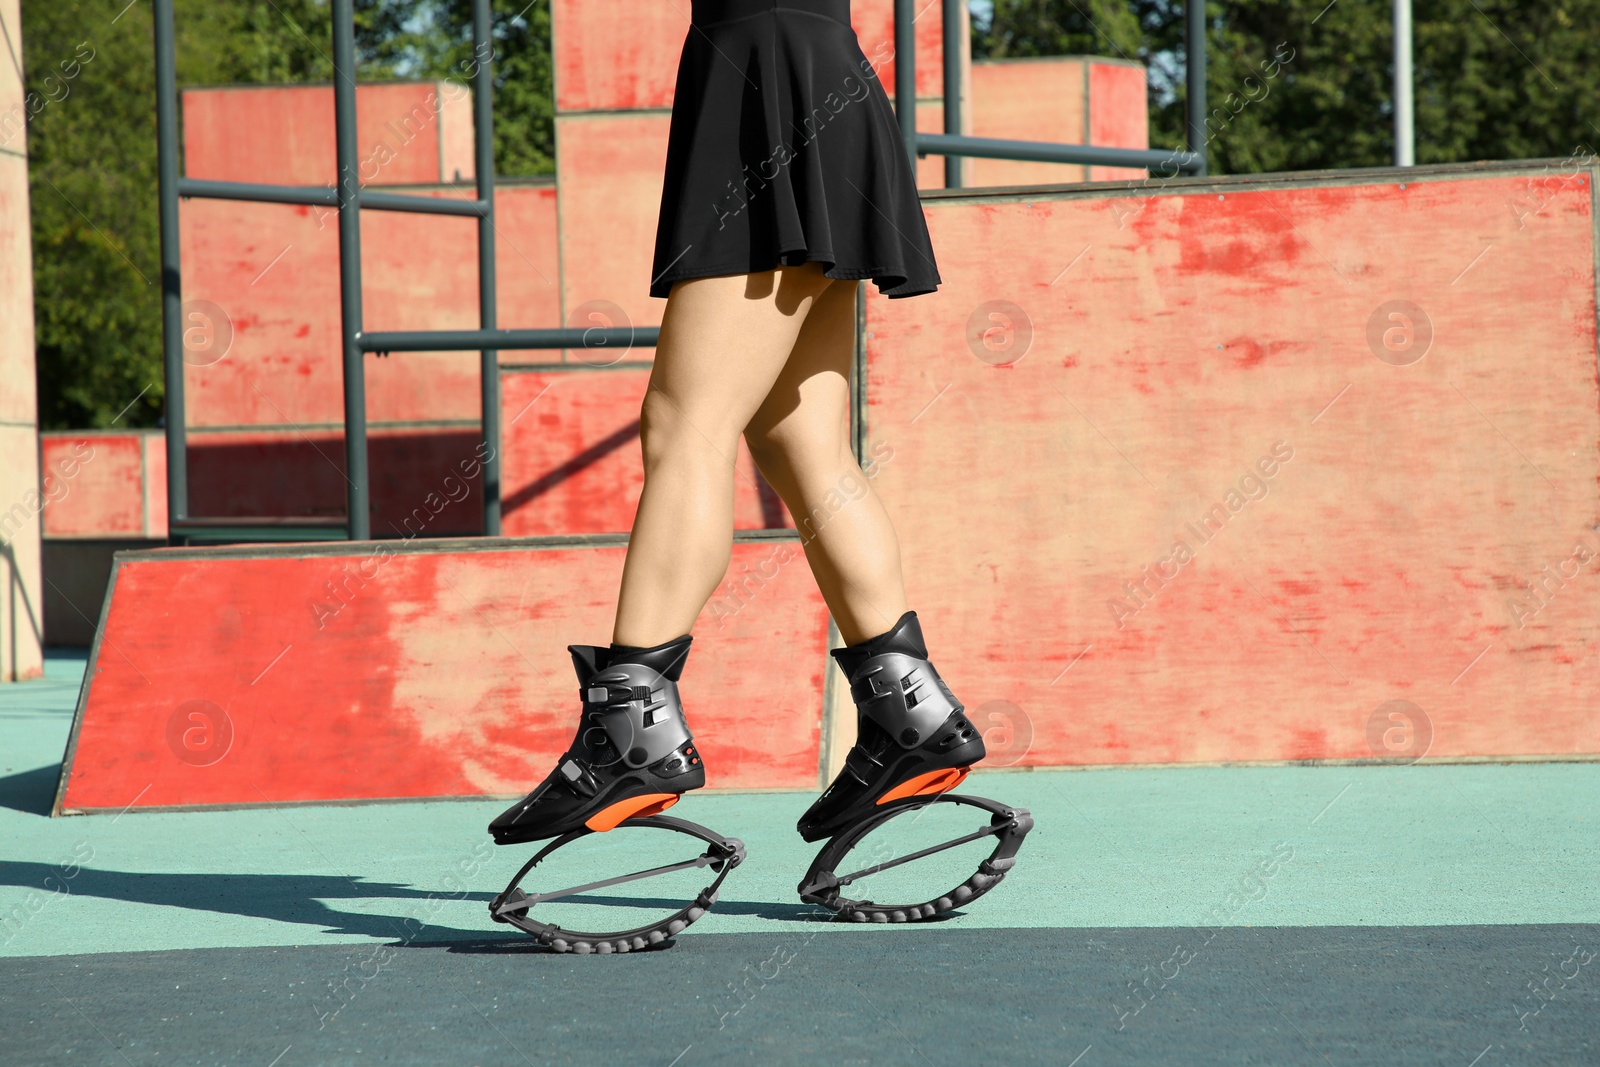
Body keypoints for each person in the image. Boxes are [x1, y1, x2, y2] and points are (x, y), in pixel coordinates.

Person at [489, 0, 985, 848]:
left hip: (765, 72)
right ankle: (911, 713)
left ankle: (628, 730)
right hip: (809, 64)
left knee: (686, 426)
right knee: (800, 438)